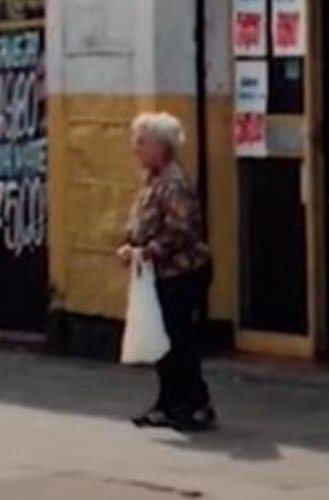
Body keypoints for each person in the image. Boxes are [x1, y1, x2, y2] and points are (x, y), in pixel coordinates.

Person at [119, 111, 215, 432]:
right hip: (158, 272)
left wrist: (146, 251)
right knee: (164, 340)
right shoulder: (153, 179)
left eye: (141, 142)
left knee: (178, 339)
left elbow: (179, 230)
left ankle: (195, 403)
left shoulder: (173, 183)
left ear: (161, 146)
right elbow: (143, 221)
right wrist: (130, 244)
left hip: (181, 272)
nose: (135, 148)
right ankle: (169, 403)